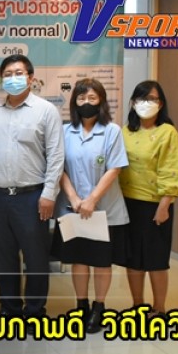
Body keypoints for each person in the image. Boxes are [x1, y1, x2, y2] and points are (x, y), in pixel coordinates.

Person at [0, 54, 64, 320]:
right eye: (7, 74)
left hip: (32, 197)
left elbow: (56, 156)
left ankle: (34, 312)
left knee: (36, 258)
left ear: (31, 78)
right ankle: (9, 310)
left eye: (18, 73)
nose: (13, 78)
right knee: (3, 258)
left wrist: (49, 194)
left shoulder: (46, 110)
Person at [52, 78, 129, 333]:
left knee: (102, 261)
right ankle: (81, 305)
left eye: (92, 98)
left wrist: (92, 199)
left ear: (102, 101)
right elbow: (59, 168)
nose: (86, 102)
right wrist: (74, 198)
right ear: (74, 102)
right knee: (78, 259)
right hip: (73, 208)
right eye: (81, 98)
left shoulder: (112, 131)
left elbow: (114, 168)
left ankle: (99, 307)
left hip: (103, 208)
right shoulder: (65, 131)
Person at [119, 80, 178, 316]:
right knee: (133, 259)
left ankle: (159, 308)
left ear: (161, 103)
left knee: (156, 259)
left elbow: (171, 171)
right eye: (141, 99)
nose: (146, 103)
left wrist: (164, 205)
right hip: (128, 203)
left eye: (152, 99)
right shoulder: (125, 131)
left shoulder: (168, 132)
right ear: (133, 103)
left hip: (156, 204)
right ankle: (137, 305)